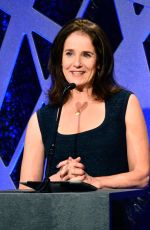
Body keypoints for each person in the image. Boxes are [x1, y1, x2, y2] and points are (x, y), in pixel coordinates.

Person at [19, 18, 150, 189]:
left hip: (111, 213)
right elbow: (26, 192)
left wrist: (94, 182)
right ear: (60, 60)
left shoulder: (124, 105)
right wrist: (56, 179)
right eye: (69, 54)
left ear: (100, 63)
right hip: (57, 215)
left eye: (87, 55)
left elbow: (142, 176)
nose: (77, 63)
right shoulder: (41, 120)